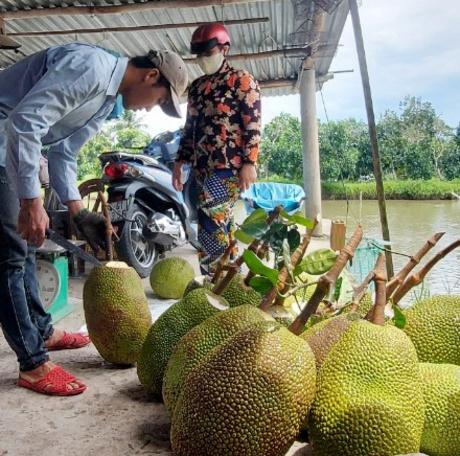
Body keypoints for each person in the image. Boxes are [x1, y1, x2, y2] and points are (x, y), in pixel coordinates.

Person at [0, 42, 188, 396]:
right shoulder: (91, 67)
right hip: (4, 139)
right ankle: (33, 364)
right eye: (160, 100)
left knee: (26, 247)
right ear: (151, 75)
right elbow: (24, 121)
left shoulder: (104, 101)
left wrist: (78, 211)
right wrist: (29, 201)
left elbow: (63, 153)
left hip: (11, 147)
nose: (151, 107)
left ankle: (43, 331)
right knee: (9, 255)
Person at [172, 23, 261, 275]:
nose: (202, 60)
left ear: (224, 49)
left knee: (211, 221)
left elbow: (252, 125)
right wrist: (179, 163)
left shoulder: (242, 81)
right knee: (222, 221)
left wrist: (250, 162)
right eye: (199, 55)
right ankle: (231, 279)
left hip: (229, 167)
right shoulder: (198, 87)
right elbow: (189, 129)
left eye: (207, 54)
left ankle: (214, 280)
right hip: (202, 167)